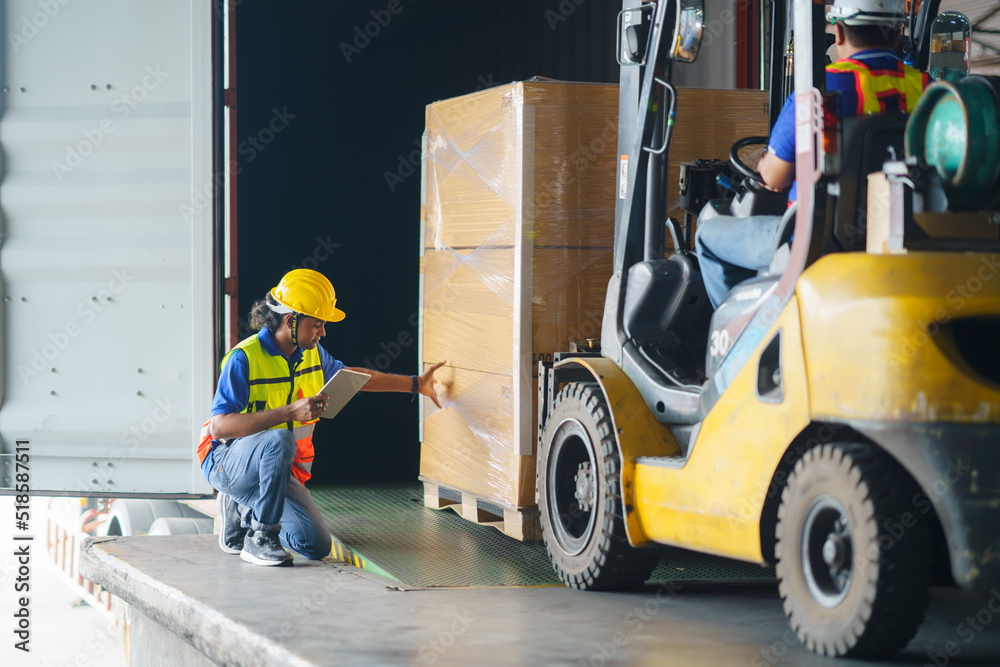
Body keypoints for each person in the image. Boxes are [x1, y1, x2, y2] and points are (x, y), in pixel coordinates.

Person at [196, 268, 445, 566]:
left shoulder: (312, 354)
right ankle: (259, 538)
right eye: (317, 325)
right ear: (291, 321)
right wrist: (290, 412)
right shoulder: (244, 359)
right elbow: (220, 426)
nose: (323, 332)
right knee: (279, 437)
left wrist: (416, 384)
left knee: (314, 545)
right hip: (224, 463)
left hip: (276, 470)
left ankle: (245, 511)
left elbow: (355, 378)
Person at [694, 0, 929, 308]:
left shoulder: (820, 89)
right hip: (904, 235)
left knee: (708, 235)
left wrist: (766, 161)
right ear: (898, 35)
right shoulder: (928, 90)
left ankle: (742, 343)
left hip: (816, 238)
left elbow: (773, 178)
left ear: (840, 34)